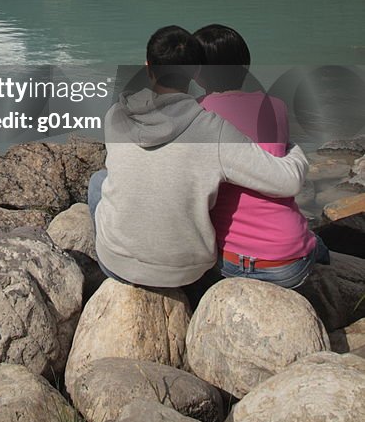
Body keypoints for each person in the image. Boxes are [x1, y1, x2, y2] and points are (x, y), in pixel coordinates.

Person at [88, 25, 310, 288]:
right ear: (195, 73)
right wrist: (292, 148)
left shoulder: (115, 115)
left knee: (98, 181)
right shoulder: (213, 128)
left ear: (148, 67)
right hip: (185, 273)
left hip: (115, 264)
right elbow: (286, 182)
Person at [194, 23, 329, 288]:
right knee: (318, 242)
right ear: (245, 65)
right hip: (286, 264)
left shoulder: (196, 114)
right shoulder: (275, 107)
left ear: (197, 74)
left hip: (226, 260)